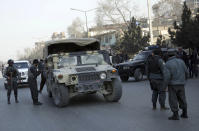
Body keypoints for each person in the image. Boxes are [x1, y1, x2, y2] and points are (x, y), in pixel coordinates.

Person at [165, 51, 189, 120]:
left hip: (172, 84)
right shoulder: (181, 61)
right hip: (181, 83)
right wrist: (184, 80)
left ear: (168, 56)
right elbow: (186, 72)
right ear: (175, 55)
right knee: (182, 98)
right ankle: (185, 113)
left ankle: (175, 115)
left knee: (173, 99)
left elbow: (167, 77)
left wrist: (165, 86)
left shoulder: (167, 64)